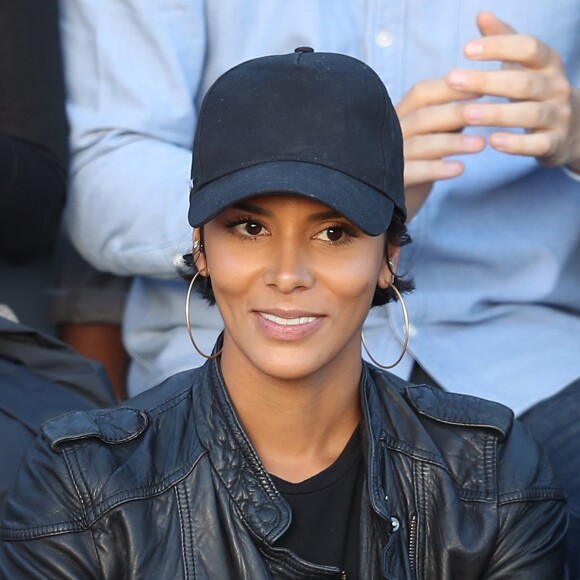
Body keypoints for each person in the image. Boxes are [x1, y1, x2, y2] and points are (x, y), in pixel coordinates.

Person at [0, 50, 567, 578]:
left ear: (388, 256)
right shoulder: (81, 483)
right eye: (250, 228)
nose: (288, 272)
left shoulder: (490, 473)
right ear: (201, 247)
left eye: (334, 232)